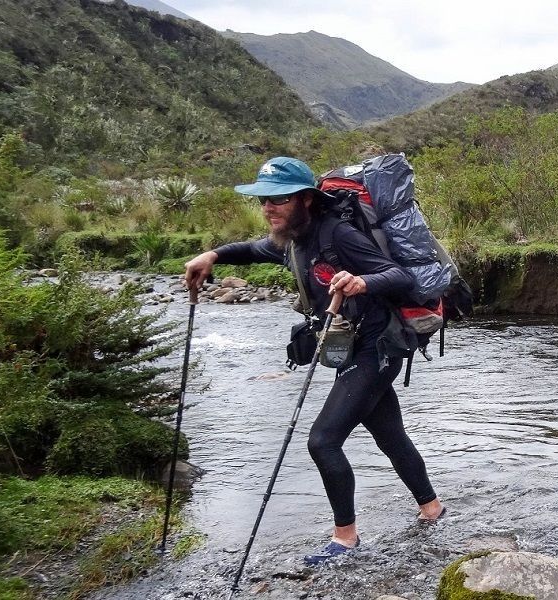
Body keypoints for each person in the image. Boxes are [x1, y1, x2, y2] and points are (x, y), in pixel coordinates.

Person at [184, 157, 445, 566]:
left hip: (376, 349)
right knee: (390, 436)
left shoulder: (337, 234)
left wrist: (363, 281)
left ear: (306, 199)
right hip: (355, 350)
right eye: (264, 201)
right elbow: (253, 250)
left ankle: (345, 539)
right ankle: (432, 509)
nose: (268, 208)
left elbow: (397, 275)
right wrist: (212, 255)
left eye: (279, 200)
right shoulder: (293, 238)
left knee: (322, 441)